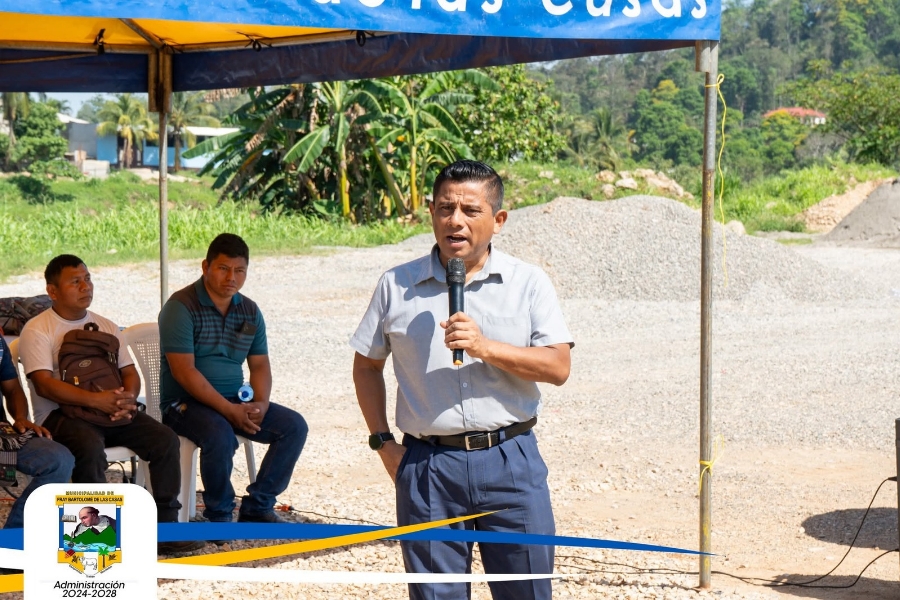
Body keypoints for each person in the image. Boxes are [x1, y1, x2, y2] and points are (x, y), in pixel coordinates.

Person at [351, 160, 573, 600]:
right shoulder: (396, 285)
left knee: (526, 591)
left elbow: (557, 367)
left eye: (471, 210)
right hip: (428, 467)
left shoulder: (527, 283)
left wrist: (485, 346)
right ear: (431, 212)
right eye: (445, 208)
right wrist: (383, 442)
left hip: (510, 460)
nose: (455, 220)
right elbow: (367, 366)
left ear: (498, 219)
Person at [18, 254, 205, 555]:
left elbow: (129, 372)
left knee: (164, 439)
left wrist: (126, 400)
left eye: (88, 279)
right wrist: (98, 401)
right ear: (52, 291)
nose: (85, 286)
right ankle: (92, 541)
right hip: (59, 416)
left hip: (111, 411)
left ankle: (165, 529)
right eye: (75, 282)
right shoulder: (38, 329)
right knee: (89, 448)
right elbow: (44, 385)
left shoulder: (105, 325)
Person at [159, 233, 308, 524]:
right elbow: (184, 372)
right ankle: (219, 515)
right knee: (219, 434)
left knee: (293, 426)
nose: (232, 278)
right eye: (223, 268)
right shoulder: (180, 306)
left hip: (234, 400)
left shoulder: (249, 311)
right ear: (206, 267)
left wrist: (261, 403)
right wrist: (229, 411)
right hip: (184, 404)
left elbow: (260, 365)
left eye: (240, 270)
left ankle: (258, 507)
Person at [0, 336, 74, 530]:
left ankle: (14, 537)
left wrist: (21, 418)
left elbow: (12, 389)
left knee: (58, 459)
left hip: (2, 434)